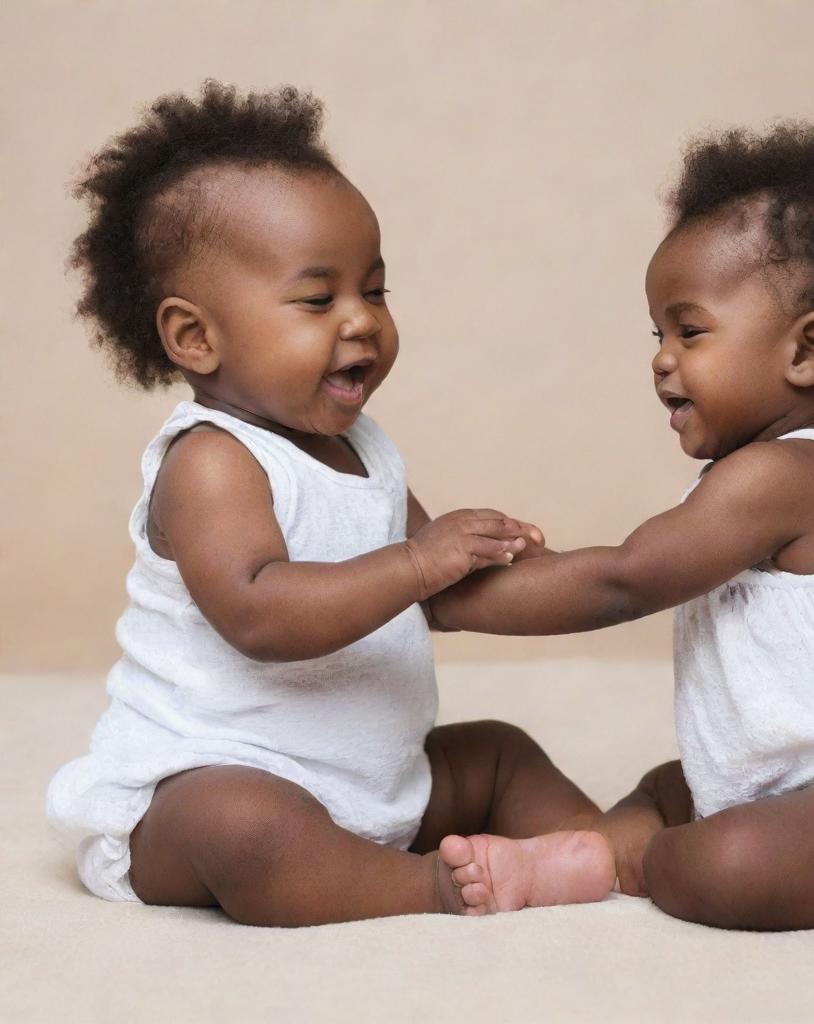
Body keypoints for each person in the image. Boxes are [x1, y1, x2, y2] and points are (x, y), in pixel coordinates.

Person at [46, 82, 615, 926]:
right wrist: (420, 559)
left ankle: (615, 852)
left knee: (499, 755)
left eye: (375, 292)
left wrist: (589, 571)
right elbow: (258, 613)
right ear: (195, 337)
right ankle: (433, 887)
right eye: (319, 300)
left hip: (379, 778)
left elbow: (446, 596)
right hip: (210, 778)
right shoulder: (211, 462)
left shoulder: (364, 447)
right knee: (247, 829)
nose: (361, 323)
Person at [431, 123, 814, 929]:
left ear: (807, 352)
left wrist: (444, 596)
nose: (662, 359)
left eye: (691, 330)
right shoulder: (758, 478)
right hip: (802, 783)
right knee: (677, 785)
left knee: (724, 862)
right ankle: (589, 847)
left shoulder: (790, 477)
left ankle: (617, 858)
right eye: (658, 334)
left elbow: (625, 578)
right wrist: (529, 567)